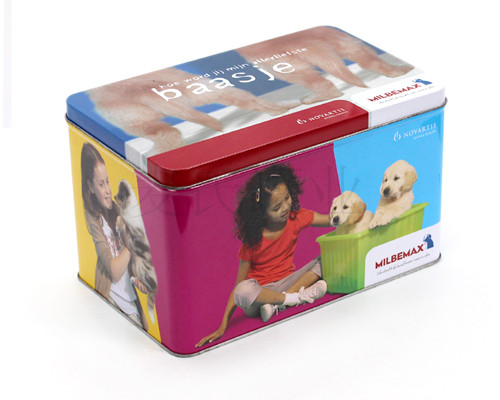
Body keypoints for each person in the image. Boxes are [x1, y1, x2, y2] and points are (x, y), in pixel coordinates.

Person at [196, 164, 332, 348]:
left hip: (289, 282)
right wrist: (223, 326)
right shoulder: (253, 240)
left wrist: (356, 214)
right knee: (243, 290)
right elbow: (238, 288)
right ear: (262, 213)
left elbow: (332, 219)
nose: (285, 207)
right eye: (276, 207)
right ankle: (295, 298)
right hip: (261, 293)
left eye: (287, 198)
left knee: (326, 257)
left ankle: (278, 304)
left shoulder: (296, 217)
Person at [81, 142, 149, 331]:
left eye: (108, 181)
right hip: (109, 299)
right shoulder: (94, 219)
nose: (108, 190)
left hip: (130, 301)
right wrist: (130, 245)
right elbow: (114, 270)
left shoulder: (117, 210)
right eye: (101, 184)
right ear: (90, 187)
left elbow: (133, 261)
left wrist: (139, 279)